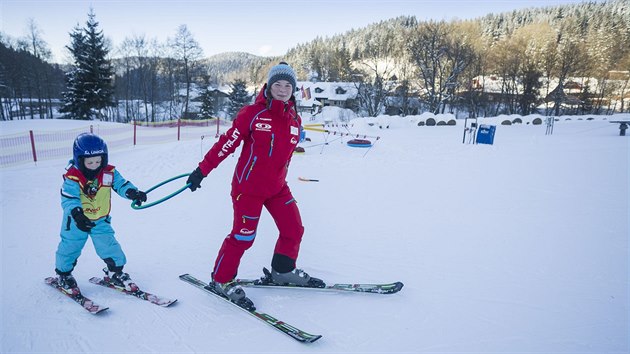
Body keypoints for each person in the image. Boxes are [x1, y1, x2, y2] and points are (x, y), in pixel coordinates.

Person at [186, 62, 324, 309]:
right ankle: (221, 280)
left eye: (287, 85)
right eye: (277, 85)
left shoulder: (295, 118)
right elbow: (227, 144)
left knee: (293, 228)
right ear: (268, 87)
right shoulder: (252, 114)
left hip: (277, 188)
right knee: (243, 236)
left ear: (293, 89)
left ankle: (282, 271)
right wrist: (201, 171)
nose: (282, 90)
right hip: (248, 189)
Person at [54, 133, 147, 293]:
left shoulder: (108, 173)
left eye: (98, 161)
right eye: (89, 162)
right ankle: (64, 275)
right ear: (79, 159)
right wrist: (77, 214)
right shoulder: (73, 177)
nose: (95, 165)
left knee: (110, 246)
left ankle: (115, 272)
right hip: (77, 221)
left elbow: (121, 184)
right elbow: (69, 199)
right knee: (70, 248)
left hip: (100, 220)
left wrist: (132, 192)